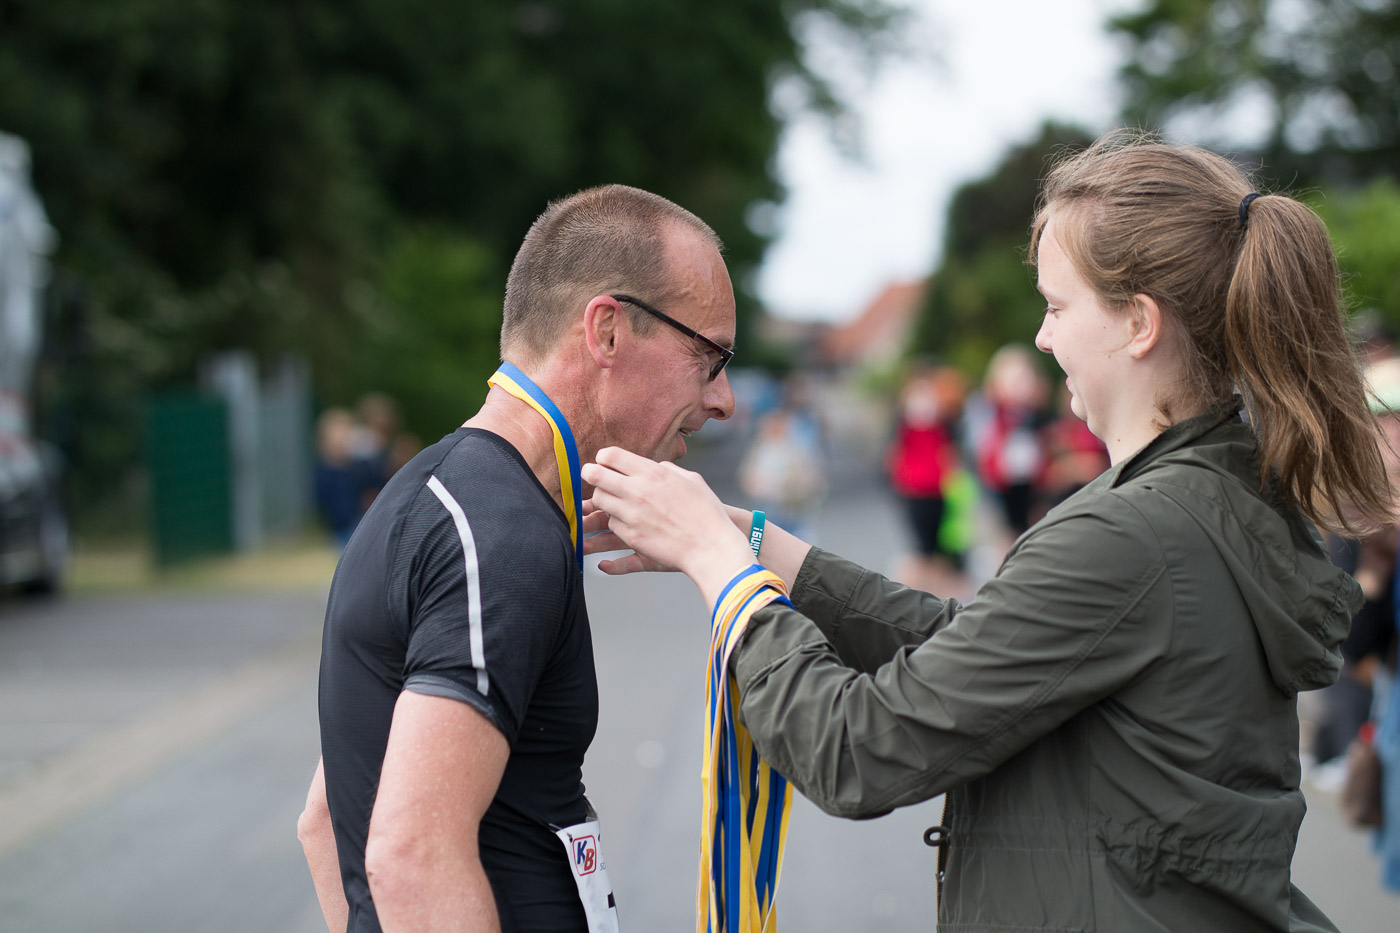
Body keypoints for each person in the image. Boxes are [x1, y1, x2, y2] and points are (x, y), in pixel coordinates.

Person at [580, 131, 1394, 931]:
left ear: (1138, 324)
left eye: (1058, 306)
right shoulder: (1212, 493)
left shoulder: (1135, 533)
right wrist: (756, 544)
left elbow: (856, 749)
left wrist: (721, 568)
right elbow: (982, 648)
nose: (1043, 336)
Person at [296, 184, 738, 933]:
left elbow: (326, 820)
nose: (724, 399)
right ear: (607, 332)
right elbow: (409, 857)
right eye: (708, 357)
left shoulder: (432, 493)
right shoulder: (500, 532)